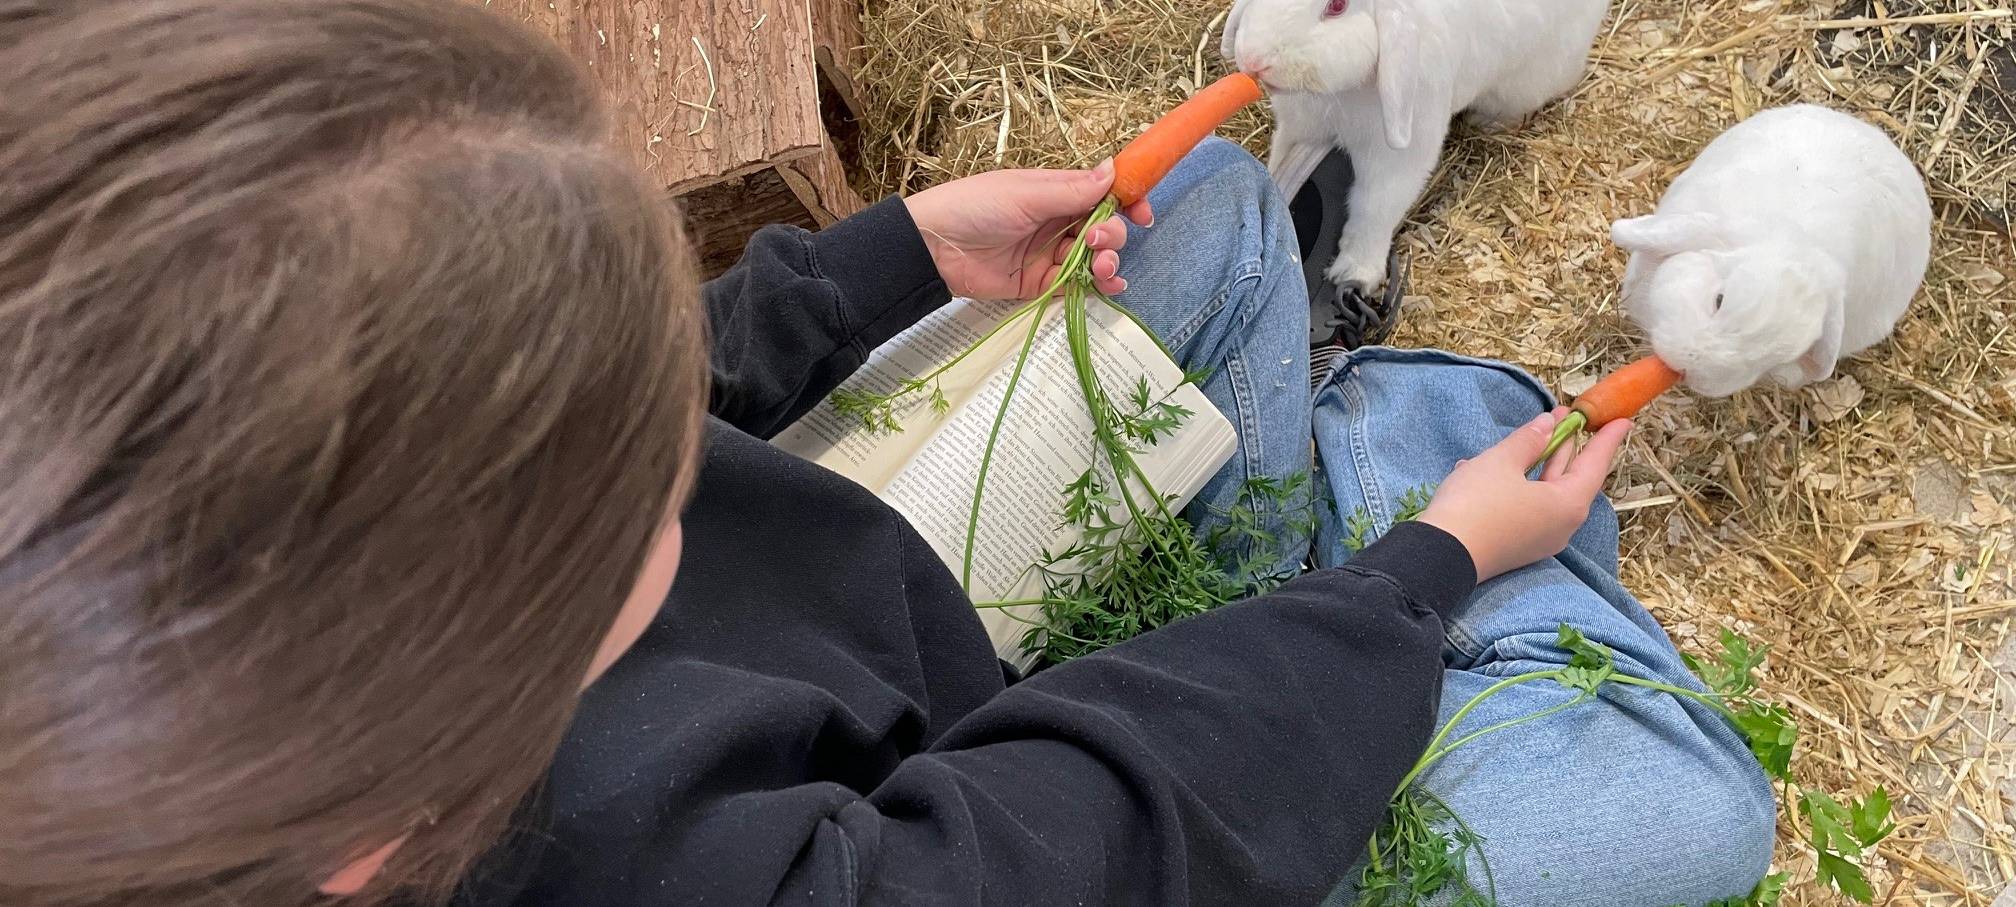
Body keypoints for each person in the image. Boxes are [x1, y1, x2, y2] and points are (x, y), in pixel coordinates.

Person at [0, 1, 1777, 906]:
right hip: (957, 833)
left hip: (864, 655)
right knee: (1679, 806)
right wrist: (1416, 577)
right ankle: (1414, 476)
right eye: (641, 461)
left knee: (1217, 217)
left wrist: (884, 258)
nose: (688, 421)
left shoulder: (233, 673)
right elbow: (1092, 839)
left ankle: (1336, 536)